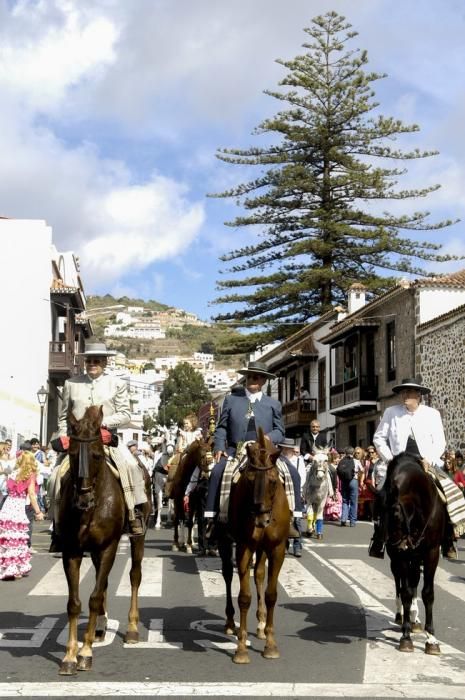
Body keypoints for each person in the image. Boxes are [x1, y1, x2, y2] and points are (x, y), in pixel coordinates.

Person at [56, 341, 148, 539]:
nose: (92, 363)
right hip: (78, 441)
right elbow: (63, 416)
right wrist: (64, 436)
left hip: (105, 439)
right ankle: (57, 521)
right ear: (84, 362)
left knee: (131, 466)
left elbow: (125, 414)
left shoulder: (117, 383)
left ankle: (134, 514)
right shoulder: (71, 384)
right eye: (89, 360)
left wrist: (102, 423)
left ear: (105, 362)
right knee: (57, 475)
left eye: (97, 360)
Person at [370, 377, 464, 559]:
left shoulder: (432, 414)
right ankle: (379, 540)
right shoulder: (391, 412)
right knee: (382, 496)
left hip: (425, 464)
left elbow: (440, 441)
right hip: (399, 465)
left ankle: (448, 540)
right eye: (403, 391)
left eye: (410, 392)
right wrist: (390, 459)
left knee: (449, 493)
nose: (405, 395)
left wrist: (430, 459)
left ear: (418, 395)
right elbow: (379, 438)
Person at [204, 360, 300, 538]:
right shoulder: (231, 400)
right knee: (217, 472)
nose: (251, 379)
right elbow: (222, 427)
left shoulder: (273, 404)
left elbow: (280, 430)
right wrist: (219, 446)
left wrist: (269, 437)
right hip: (237, 449)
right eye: (248, 376)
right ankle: (213, 520)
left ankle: (293, 519)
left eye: (256, 377)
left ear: (263, 381)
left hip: (265, 452)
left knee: (292, 473)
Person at [0, 451, 44, 580]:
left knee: (6, 538)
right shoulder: (30, 475)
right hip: (18, 507)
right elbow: (31, 494)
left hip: (8, 505)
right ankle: (15, 569)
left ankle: (6, 567)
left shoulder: (13, 473)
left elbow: (7, 489)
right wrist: (38, 511)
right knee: (17, 539)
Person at [277, 438, 304, 557]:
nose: (285, 450)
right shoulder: (279, 461)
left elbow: (302, 476)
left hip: (296, 493)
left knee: (297, 521)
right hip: (285, 493)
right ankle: (285, 544)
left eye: (287, 448)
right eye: (284, 448)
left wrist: (299, 491)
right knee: (283, 521)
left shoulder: (298, 460)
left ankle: (298, 546)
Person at [337, 446, 363, 527]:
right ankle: (352, 521)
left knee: (345, 501)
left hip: (344, 482)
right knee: (353, 502)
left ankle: (343, 519)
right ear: (353, 453)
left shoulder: (342, 461)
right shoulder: (356, 461)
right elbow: (362, 470)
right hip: (353, 481)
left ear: (345, 453)